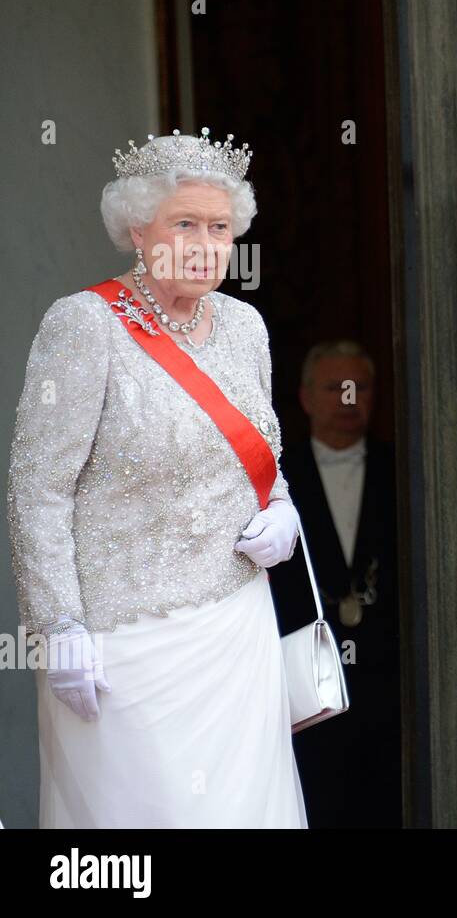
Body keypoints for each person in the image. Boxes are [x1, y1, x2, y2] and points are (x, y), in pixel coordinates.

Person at [7, 129, 307, 827]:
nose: (205, 243)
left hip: (236, 627)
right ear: (139, 230)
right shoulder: (84, 326)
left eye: (220, 227)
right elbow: (37, 487)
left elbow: (257, 453)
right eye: (185, 224)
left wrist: (284, 510)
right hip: (121, 647)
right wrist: (60, 627)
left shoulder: (244, 327)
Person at [269, 340, 401, 828]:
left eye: (360, 387)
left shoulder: (409, 470)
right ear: (305, 398)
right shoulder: (277, 478)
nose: (348, 398)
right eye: (334, 387)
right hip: (305, 682)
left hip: (394, 684)